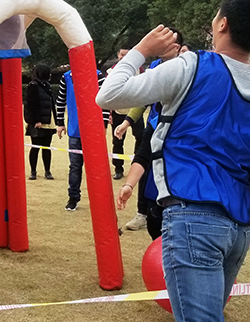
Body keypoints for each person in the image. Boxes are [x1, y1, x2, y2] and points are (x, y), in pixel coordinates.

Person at [97, 0, 250, 322]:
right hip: (237, 230)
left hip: (192, 221)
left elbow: (109, 95)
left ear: (222, 23)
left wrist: (139, 50)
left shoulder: (193, 66)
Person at [112, 30, 184, 231]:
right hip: (155, 124)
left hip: (181, 196)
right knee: (147, 168)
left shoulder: (187, 71)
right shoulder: (154, 68)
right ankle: (142, 213)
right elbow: (141, 99)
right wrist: (128, 185)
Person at [56, 67, 108, 211]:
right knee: (75, 166)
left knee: (97, 168)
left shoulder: (97, 76)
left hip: (93, 132)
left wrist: (103, 125)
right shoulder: (66, 77)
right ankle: (73, 197)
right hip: (74, 130)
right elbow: (60, 101)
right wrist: (60, 123)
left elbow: (105, 99)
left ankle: (99, 200)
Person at [108, 48, 139, 181]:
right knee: (117, 141)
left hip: (134, 111)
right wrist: (109, 113)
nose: (123, 57)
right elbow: (107, 93)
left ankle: (136, 167)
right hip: (117, 111)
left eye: (126, 55)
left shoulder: (138, 70)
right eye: (122, 54)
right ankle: (118, 169)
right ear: (118, 55)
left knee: (141, 138)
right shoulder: (111, 71)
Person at [24, 63, 55, 180]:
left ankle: (47, 171)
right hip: (37, 122)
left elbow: (51, 104)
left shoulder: (47, 86)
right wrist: (36, 120)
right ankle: (33, 171)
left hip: (48, 121)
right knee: (35, 147)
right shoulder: (33, 86)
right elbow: (30, 105)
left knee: (47, 147)